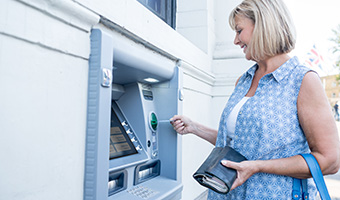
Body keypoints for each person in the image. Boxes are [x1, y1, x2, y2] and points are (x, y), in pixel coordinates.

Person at [171, 0, 340, 199]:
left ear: (262, 26)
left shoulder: (302, 80)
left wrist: (258, 167)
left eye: (239, 30)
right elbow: (240, 142)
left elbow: (330, 160)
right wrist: (194, 128)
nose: (235, 40)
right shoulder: (243, 81)